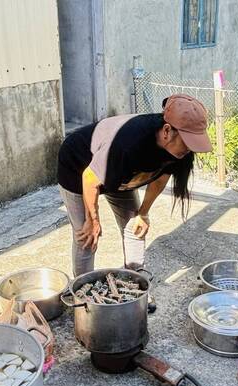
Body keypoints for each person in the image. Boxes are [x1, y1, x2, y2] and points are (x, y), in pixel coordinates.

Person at [57, 94, 212, 278]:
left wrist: (143, 213)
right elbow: (90, 178)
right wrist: (93, 220)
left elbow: (161, 178)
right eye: (187, 143)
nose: (189, 149)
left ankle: (135, 284)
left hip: (119, 171)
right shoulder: (128, 143)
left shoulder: (179, 151)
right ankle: (82, 292)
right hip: (77, 167)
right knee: (87, 236)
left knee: (135, 227)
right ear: (167, 131)